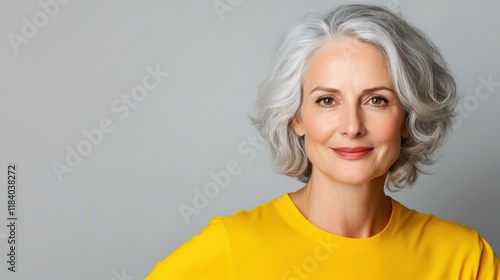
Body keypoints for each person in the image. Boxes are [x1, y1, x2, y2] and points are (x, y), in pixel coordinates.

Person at [146, 4, 499, 279]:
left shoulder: (464, 258)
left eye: (377, 100)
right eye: (327, 100)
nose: (352, 126)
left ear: (407, 117)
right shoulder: (232, 246)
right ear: (296, 117)